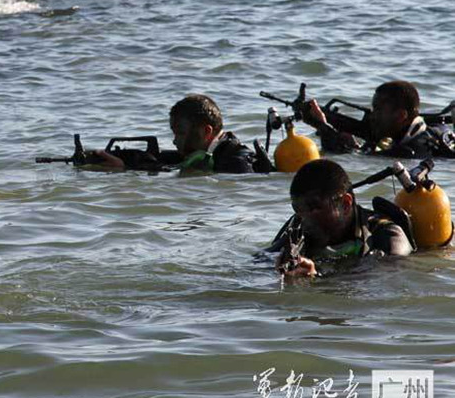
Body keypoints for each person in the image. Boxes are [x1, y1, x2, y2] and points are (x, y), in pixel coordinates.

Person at [269, 159, 415, 278]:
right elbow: (263, 260)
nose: (304, 217)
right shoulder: (298, 229)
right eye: (297, 209)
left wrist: (316, 277)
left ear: (345, 204)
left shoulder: (388, 234)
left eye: (314, 207)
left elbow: (384, 278)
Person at [98, 94, 272, 173]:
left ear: (206, 131)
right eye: (174, 134)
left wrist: (126, 169)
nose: (175, 141)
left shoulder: (236, 163)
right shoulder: (215, 152)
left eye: (180, 134)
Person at [304, 80, 455, 158]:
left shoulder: (410, 152)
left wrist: (324, 128)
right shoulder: (431, 129)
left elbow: (364, 159)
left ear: (401, 115)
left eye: (378, 110)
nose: (372, 116)